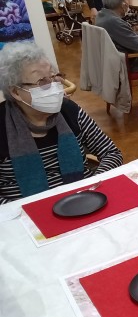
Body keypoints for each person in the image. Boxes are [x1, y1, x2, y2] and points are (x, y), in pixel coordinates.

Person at [0, 43, 123, 205]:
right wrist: (19, 211)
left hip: (83, 201)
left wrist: (91, 186)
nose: (53, 86)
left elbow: (111, 153)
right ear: (16, 92)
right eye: (42, 82)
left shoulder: (68, 110)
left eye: (54, 77)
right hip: (25, 211)